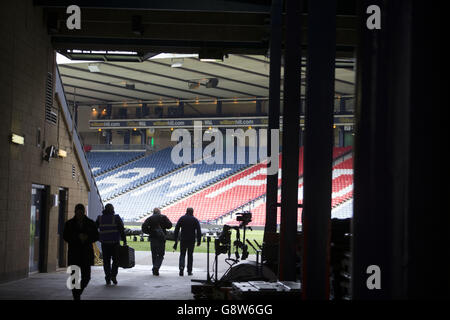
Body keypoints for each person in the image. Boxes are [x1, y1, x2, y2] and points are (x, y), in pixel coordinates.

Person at [63, 203, 99, 300]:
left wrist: (87, 238)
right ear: (75, 212)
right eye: (78, 212)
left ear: (84, 212)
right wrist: (77, 237)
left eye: (82, 212)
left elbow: (96, 236)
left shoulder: (91, 223)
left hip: (86, 255)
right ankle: (76, 297)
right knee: (74, 279)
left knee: (86, 277)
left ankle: (78, 293)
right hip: (74, 255)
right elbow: (65, 237)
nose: (80, 214)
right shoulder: (69, 224)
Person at [95, 203, 126, 285]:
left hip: (104, 244)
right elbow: (122, 230)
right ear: (112, 209)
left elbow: (94, 229)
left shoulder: (100, 218)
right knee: (116, 261)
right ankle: (113, 276)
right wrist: (125, 241)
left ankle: (107, 277)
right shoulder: (116, 218)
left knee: (106, 261)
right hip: (115, 243)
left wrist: (99, 237)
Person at [141, 208, 172, 276]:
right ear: (159, 212)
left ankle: (155, 267)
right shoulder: (163, 217)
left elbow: (143, 227)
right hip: (161, 238)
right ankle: (156, 267)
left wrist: (149, 232)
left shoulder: (150, 218)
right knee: (161, 254)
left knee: (154, 253)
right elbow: (170, 225)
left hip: (153, 238)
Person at [173, 207, 202, 276]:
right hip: (191, 240)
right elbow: (198, 231)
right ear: (192, 212)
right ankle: (189, 271)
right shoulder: (195, 220)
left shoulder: (182, 218)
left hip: (183, 239)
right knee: (190, 255)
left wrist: (175, 239)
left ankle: (181, 268)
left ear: (186, 211)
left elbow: (176, 229)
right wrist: (199, 241)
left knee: (182, 254)